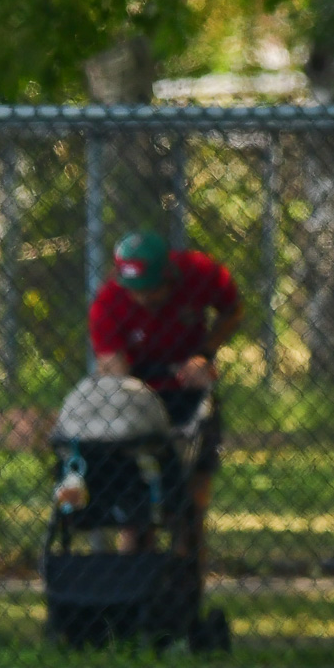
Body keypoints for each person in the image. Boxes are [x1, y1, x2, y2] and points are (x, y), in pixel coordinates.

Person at [87, 232, 244, 560]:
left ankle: (187, 582)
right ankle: (133, 581)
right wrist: (130, 385)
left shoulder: (199, 271)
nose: (142, 298)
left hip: (190, 399)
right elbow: (112, 367)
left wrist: (204, 355)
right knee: (135, 514)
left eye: (151, 290)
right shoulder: (107, 303)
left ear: (169, 275)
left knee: (191, 509)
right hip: (136, 404)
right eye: (134, 290)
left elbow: (233, 309)